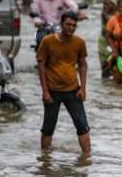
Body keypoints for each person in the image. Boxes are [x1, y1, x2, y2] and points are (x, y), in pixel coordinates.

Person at [37, 12, 90, 156]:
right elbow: (41, 66)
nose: (71, 27)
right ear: (61, 24)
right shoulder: (47, 41)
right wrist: (45, 91)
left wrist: (83, 89)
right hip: (52, 91)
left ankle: (87, 157)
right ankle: (45, 158)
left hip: (73, 90)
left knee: (82, 125)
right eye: (68, 24)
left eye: (74, 25)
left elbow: (83, 65)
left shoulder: (79, 43)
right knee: (48, 126)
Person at [98, 0, 117, 79]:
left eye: (108, 4)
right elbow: (111, 20)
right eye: (104, 4)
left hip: (114, 44)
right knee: (105, 67)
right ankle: (105, 87)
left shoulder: (117, 15)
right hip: (104, 44)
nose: (106, 6)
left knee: (115, 67)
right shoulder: (104, 14)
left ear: (114, 5)